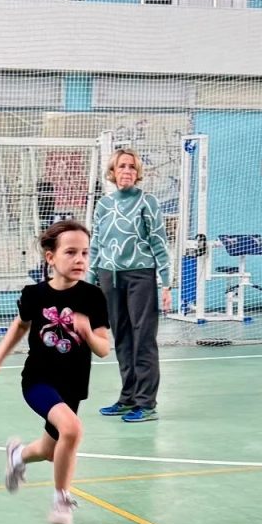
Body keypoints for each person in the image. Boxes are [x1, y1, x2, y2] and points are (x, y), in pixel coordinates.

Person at [0, 219, 109, 524]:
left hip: (73, 385)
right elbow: (20, 326)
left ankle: (17, 456)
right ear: (50, 257)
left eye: (85, 253)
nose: (80, 260)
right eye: (71, 252)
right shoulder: (34, 294)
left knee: (51, 451)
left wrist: (87, 333)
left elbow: (104, 348)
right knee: (72, 430)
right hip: (38, 380)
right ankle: (61, 500)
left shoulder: (93, 297)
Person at [90, 148, 172, 423]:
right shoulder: (103, 205)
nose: (127, 171)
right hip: (109, 277)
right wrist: (90, 281)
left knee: (143, 338)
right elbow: (96, 243)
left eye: (132, 167)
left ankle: (146, 403)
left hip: (140, 276)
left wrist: (166, 283)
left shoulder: (147, 202)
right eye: (122, 166)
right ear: (112, 172)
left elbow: (159, 242)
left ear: (138, 173)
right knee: (123, 339)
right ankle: (128, 398)